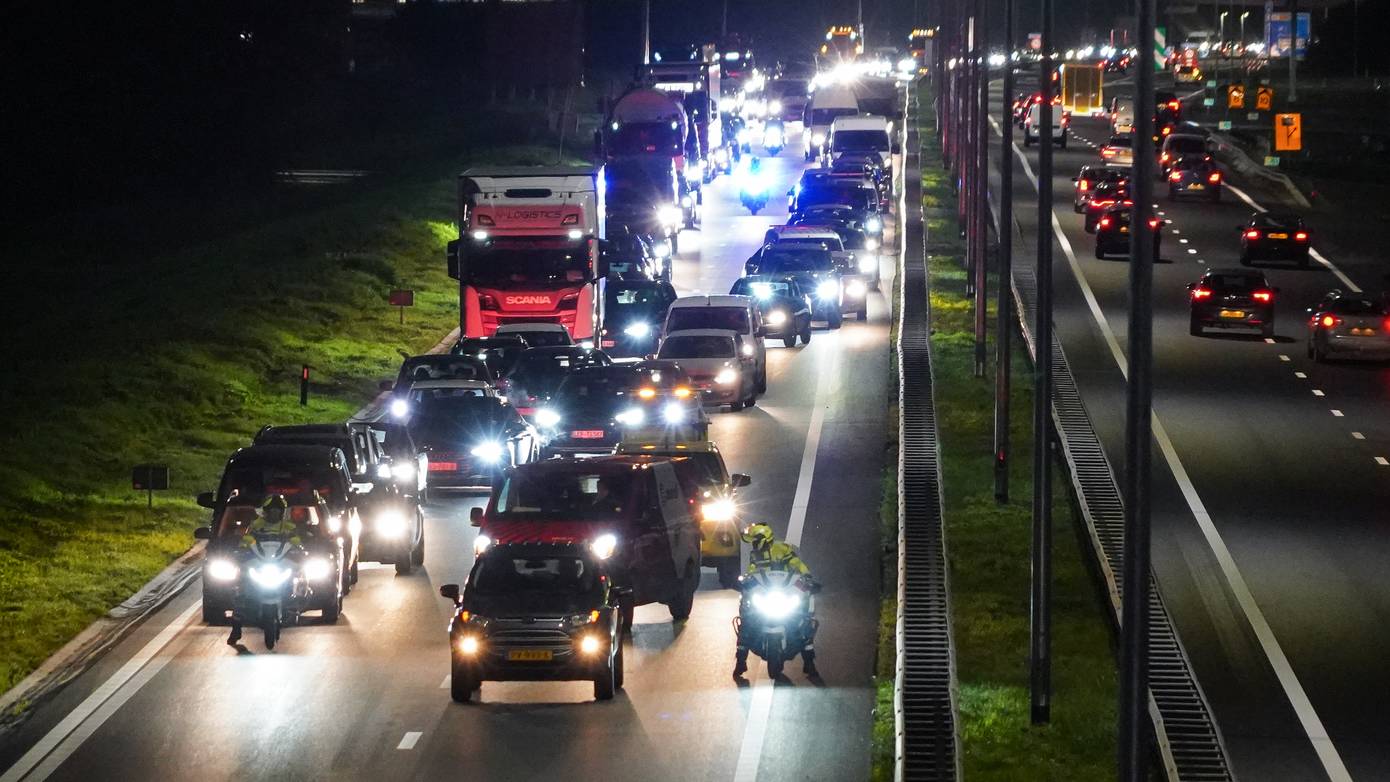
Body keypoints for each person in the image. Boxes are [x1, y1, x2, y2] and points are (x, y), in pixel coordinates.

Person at [734, 523, 819, 678]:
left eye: (756, 540)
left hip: (786, 591)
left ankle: (809, 663)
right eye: (753, 540)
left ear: (765, 539)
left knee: (804, 624)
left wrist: (807, 577)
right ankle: (740, 662)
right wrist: (745, 582)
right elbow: (752, 571)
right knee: (746, 622)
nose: (754, 543)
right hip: (765, 593)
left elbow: (796, 564)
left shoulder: (782, 549)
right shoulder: (755, 554)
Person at [227, 495, 301, 645]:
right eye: (271, 511)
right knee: (240, 590)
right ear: (266, 512)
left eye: (277, 511)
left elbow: (297, 541)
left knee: (298, 575)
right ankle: (236, 629)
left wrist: (298, 548)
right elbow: (247, 539)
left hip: (279, 562)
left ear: (281, 512)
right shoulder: (256, 525)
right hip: (259, 562)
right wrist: (242, 548)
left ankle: (293, 601)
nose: (274, 514)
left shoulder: (288, 526)